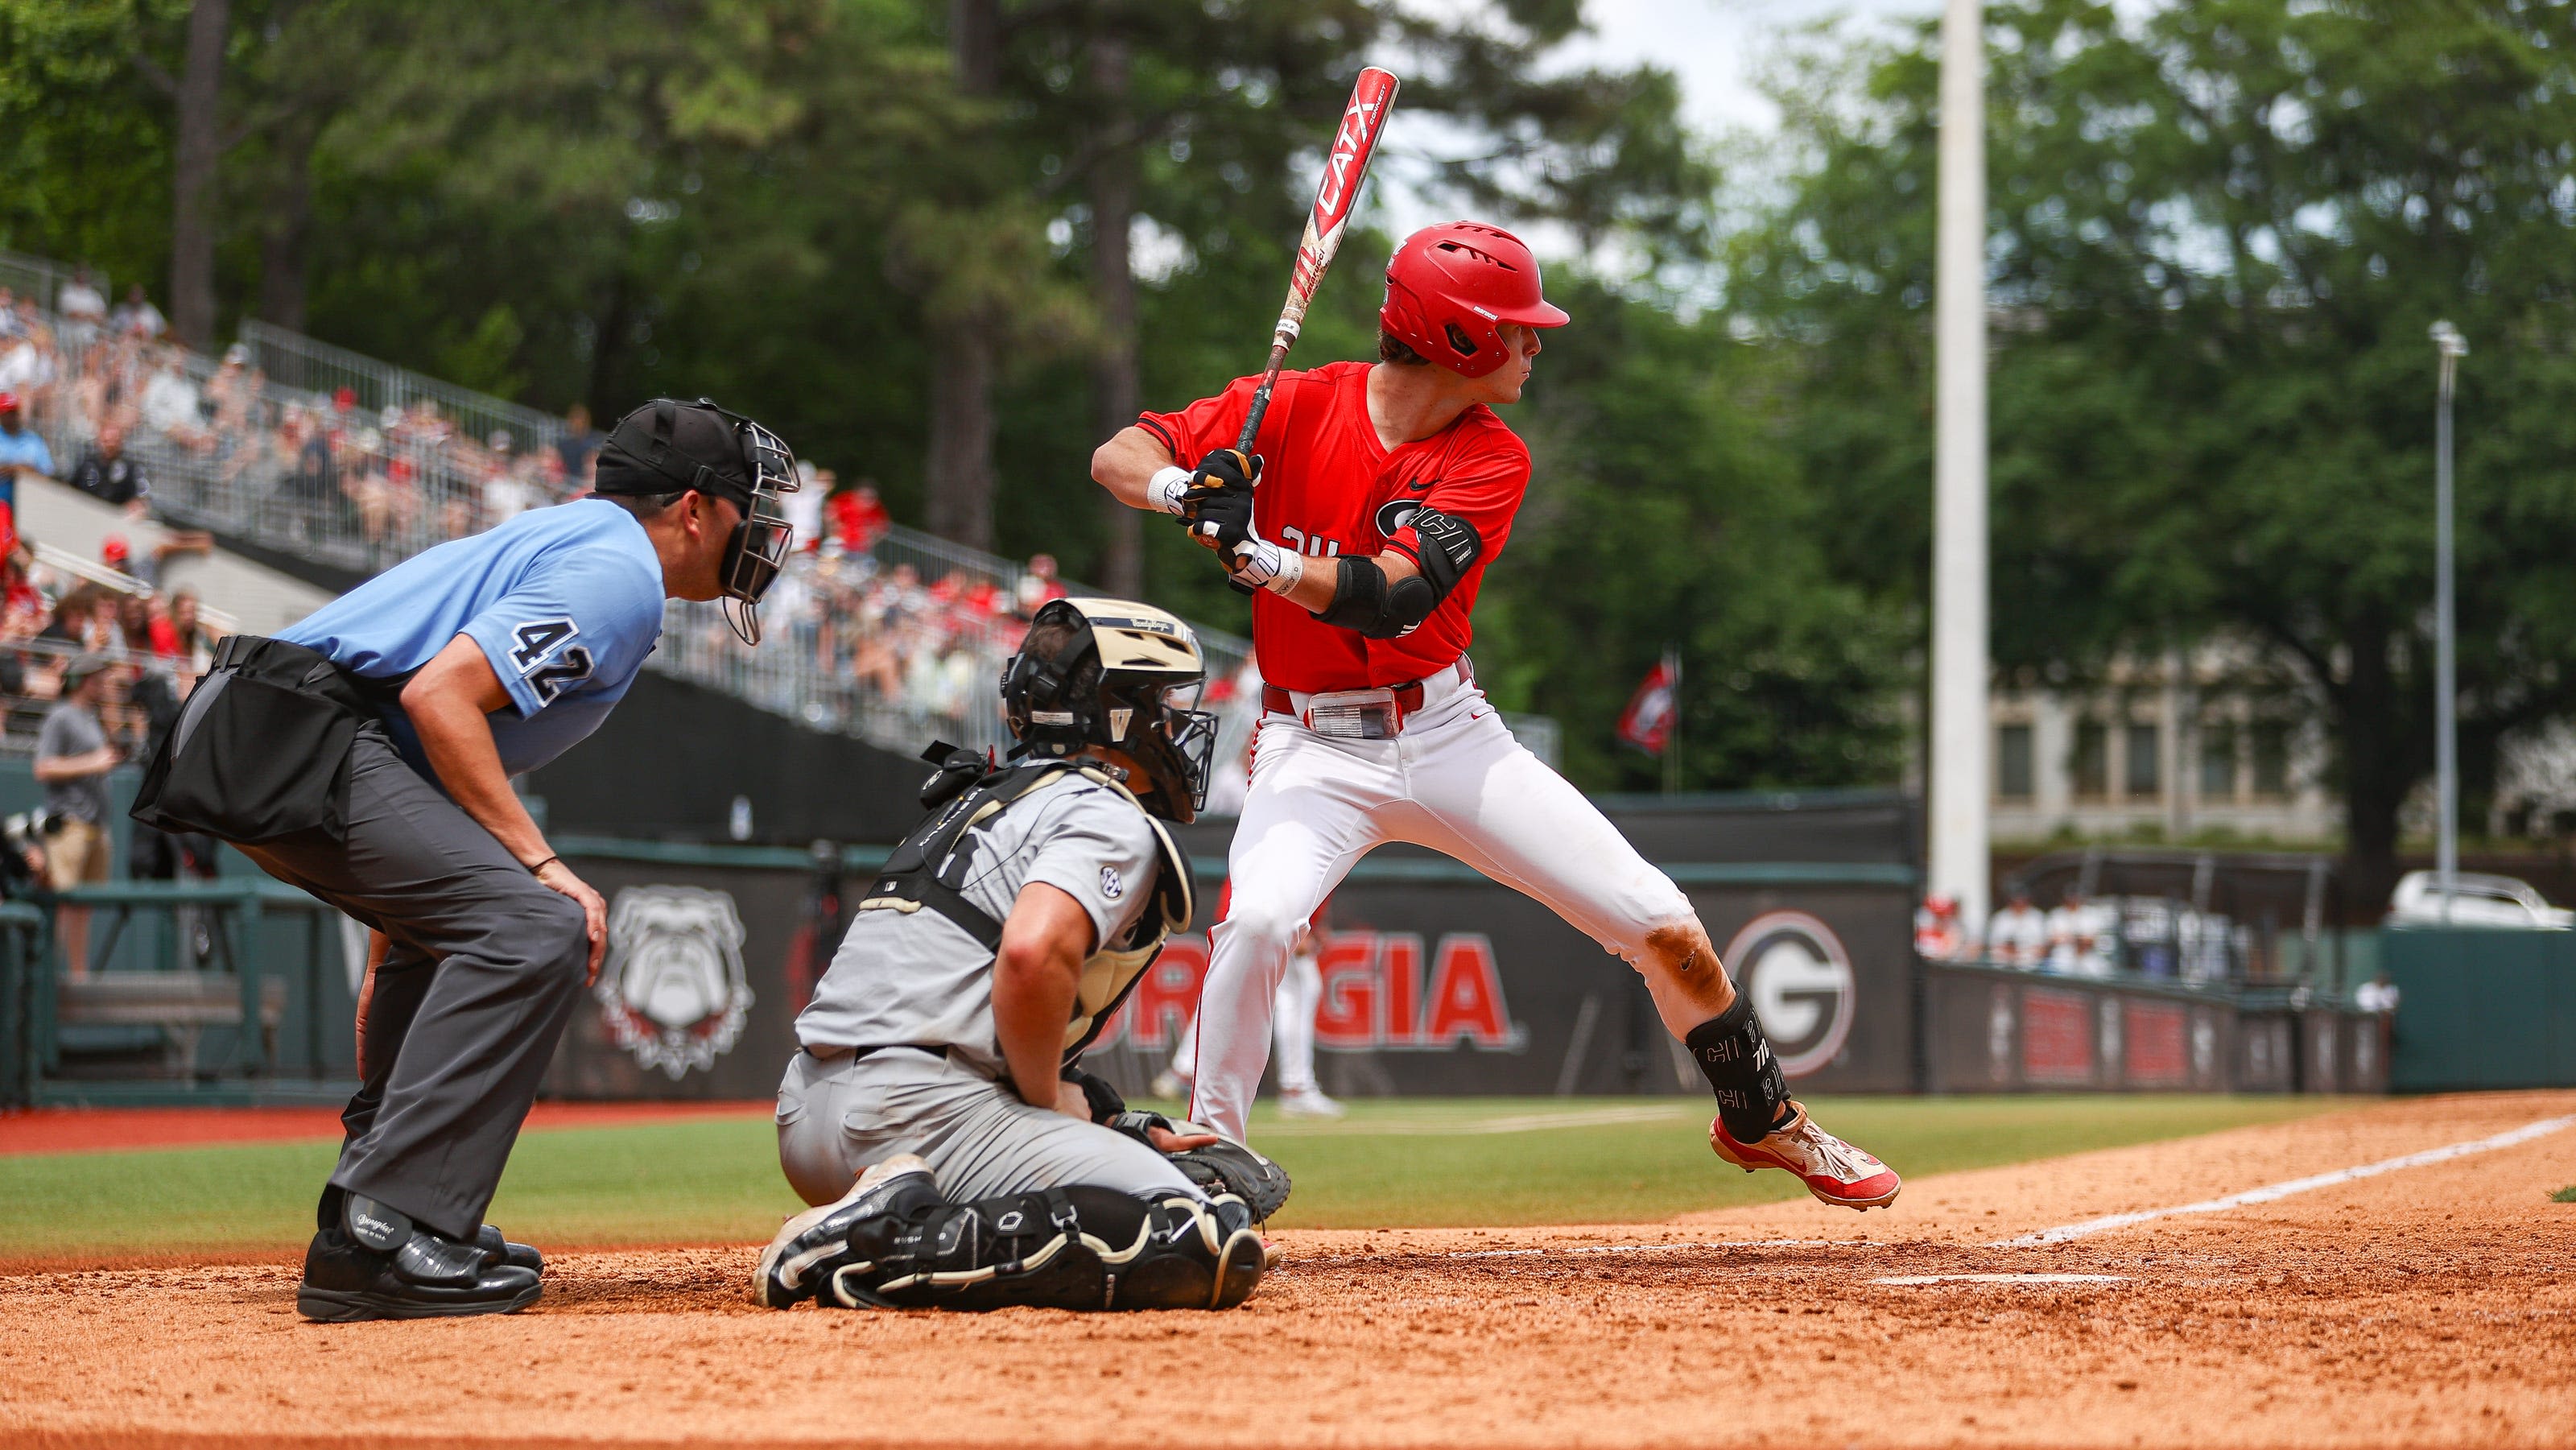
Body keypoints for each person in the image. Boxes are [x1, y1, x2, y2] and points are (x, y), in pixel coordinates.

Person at [1090, 221, 1900, 1210]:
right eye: (1519, 328)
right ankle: (1207, 1160)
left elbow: (1387, 594)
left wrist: (1255, 554)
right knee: (1256, 921)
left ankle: (1761, 1118)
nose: (1535, 344)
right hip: (1307, 743)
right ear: (1460, 339)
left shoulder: (1490, 457)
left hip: (1445, 736)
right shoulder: (1289, 404)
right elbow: (1118, 454)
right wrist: (1186, 489)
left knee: (1662, 926)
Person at [130, 397, 801, 1322]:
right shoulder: (620, 572)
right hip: (298, 732)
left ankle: (389, 1209)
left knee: (472, 931)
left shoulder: (583, 540)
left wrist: (406, 923)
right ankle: (382, 1225)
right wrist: (540, 862)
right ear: (693, 508)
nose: (763, 528)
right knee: (539, 924)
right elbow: (441, 694)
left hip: (274, 726)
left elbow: (414, 723)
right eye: (747, 506)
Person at [753, 597, 1273, 1314]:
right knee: (1203, 1236)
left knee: (1155, 1184)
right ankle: (878, 1238)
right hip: (920, 1114)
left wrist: (1104, 1115)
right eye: (1160, 702)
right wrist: (1043, 1102)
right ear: (1116, 712)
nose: (1176, 724)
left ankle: (893, 1208)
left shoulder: (979, 799)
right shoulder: (1102, 808)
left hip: (810, 1111)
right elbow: (1032, 955)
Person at [1154, 890, 1344, 1120]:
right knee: (1299, 990)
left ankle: (1182, 1072)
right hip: (1274, 909)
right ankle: (1296, 1088)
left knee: (1228, 990)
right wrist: (1304, 924)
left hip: (1247, 908)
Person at [36, 655, 122, 981]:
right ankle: (47, 979)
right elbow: (43, 767)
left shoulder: (92, 718)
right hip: (69, 825)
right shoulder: (61, 716)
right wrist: (93, 763)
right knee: (63, 904)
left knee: (83, 908)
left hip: (96, 825)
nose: (105, 684)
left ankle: (77, 977)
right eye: (100, 678)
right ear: (85, 679)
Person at [68, 423, 151, 512]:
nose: (110, 445)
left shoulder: (130, 469)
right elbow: (71, 488)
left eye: (114, 441)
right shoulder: (88, 464)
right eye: (106, 441)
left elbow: (137, 499)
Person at [1987, 887, 2050, 969]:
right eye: (2015, 901)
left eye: (2023, 901)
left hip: (2030, 966)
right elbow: (1993, 946)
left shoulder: (2037, 917)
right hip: (2004, 966)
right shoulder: (2000, 918)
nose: (2019, 904)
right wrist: (2010, 951)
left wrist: (2021, 952)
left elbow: (2042, 948)